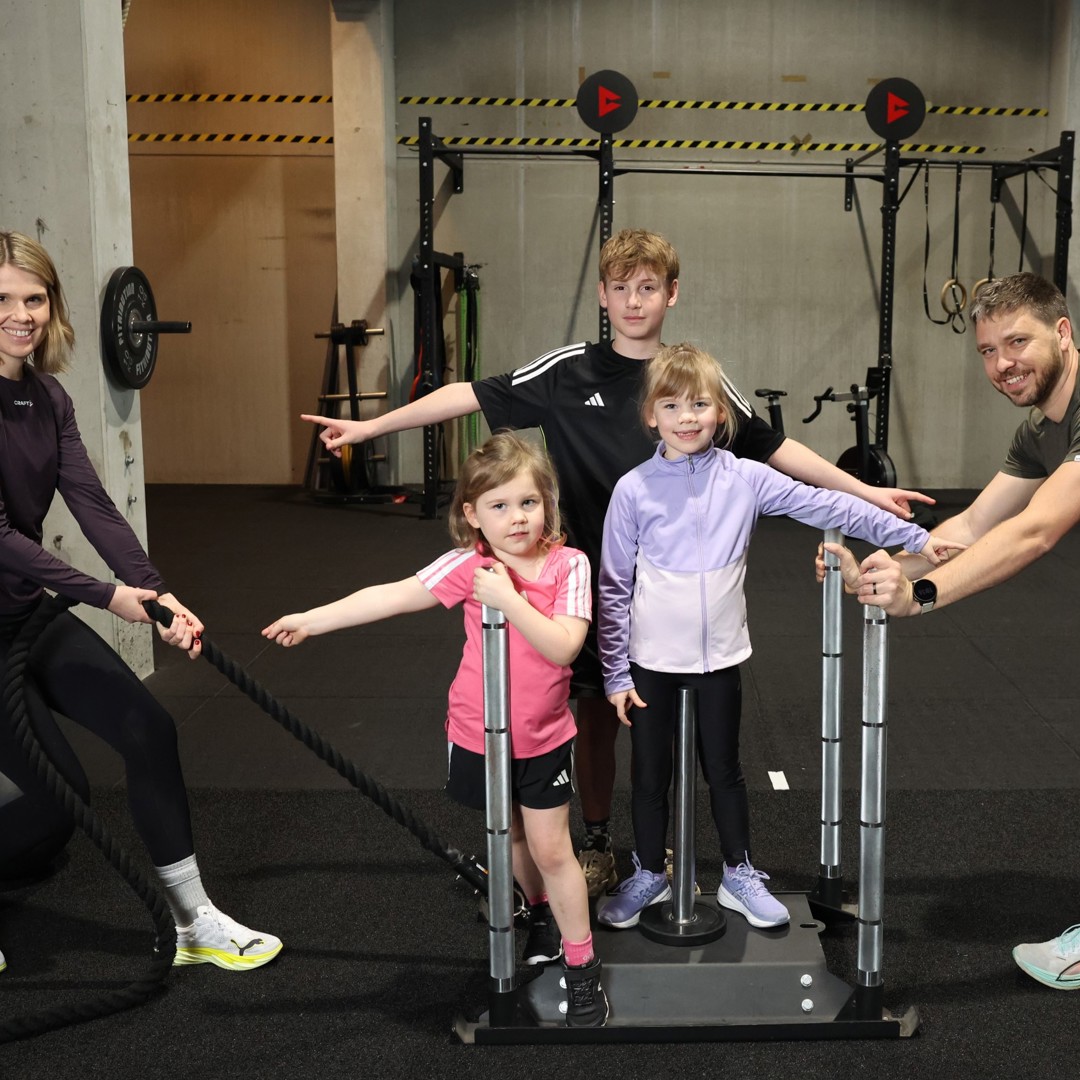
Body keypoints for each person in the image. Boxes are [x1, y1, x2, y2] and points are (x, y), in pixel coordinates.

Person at [301, 228, 935, 896]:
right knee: (594, 720)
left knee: (678, 732)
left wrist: (864, 491)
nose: (635, 302)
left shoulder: (689, 382)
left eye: (649, 288)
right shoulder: (568, 370)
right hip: (582, 584)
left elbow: (774, 450)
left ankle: (677, 859)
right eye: (622, 288)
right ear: (603, 296)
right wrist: (372, 429)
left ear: (671, 294)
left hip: (668, 589)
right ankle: (597, 844)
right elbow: (471, 394)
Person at [0, 231, 281, 974]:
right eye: (2, 299)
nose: (20, 314)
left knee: (149, 728)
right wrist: (106, 595)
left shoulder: (46, 396)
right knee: (55, 803)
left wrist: (156, 593)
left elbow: (91, 503)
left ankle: (196, 922)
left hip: (27, 615)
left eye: (34, 298)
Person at [595, 343, 947, 930]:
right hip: (650, 661)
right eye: (673, 405)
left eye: (701, 404)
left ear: (721, 414)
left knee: (726, 770)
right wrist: (614, 673)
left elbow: (828, 503)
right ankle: (649, 873)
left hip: (720, 660)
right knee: (650, 775)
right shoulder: (633, 490)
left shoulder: (747, 479)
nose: (687, 417)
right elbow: (611, 588)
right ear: (651, 415)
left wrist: (911, 535)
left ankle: (738, 873)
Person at [263, 431, 608, 1027]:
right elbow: (393, 596)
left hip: (543, 738)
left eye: (528, 502)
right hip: (477, 732)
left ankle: (582, 970)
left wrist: (507, 595)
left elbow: (563, 648)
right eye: (499, 507)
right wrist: (313, 620)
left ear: (547, 502)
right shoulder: (467, 565)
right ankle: (537, 912)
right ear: (472, 514)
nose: (517, 518)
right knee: (512, 840)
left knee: (555, 848)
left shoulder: (567, 565)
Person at [823, 271, 1080, 990]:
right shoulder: (1041, 430)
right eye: (989, 351)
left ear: (1063, 332)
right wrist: (879, 564)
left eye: (1019, 341)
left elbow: (1035, 532)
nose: (1003, 364)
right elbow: (971, 526)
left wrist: (922, 595)